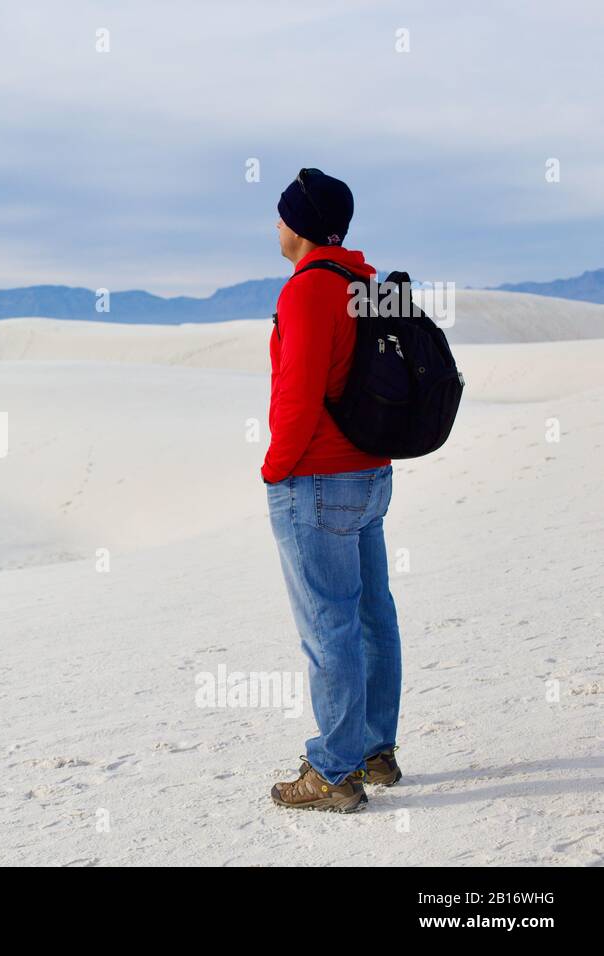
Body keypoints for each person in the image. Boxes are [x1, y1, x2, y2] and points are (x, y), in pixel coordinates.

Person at [264, 168, 404, 813]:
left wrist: (276, 468)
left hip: (317, 479)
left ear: (298, 223)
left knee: (329, 626)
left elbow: (299, 391)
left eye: (281, 212)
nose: (275, 223)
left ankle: (335, 772)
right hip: (371, 473)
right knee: (372, 616)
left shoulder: (309, 290)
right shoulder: (362, 283)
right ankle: (375, 751)